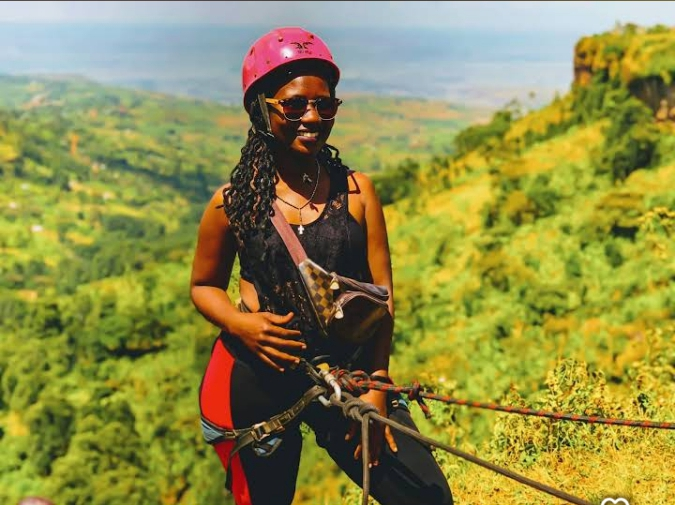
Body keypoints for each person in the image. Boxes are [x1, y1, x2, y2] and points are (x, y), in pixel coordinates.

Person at [191, 26, 453, 505]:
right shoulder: (231, 204)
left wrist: (376, 387)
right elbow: (203, 285)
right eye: (294, 105)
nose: (312, 117)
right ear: (262, 108)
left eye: (325, 105)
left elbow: (383, 297)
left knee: (426, 497)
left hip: (347, 372)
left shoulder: (358, 193)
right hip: (254, 374)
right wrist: (241, 325)